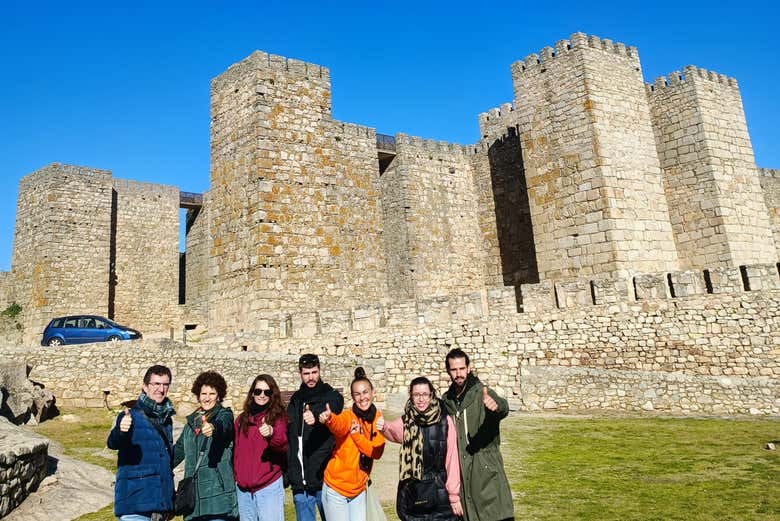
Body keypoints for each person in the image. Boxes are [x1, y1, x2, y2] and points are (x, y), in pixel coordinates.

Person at [441, 349, 514, 521]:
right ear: (448, 371)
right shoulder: (446, 401)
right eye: (454, 369)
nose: (458, 374)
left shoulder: (482, 392)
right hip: (461, 475)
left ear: (468, 368)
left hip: (485, 470)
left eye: (461, 368)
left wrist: (497, 406)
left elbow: (503, 407)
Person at [377, 377, 463, 521]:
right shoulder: (406, 421)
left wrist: (454, 496)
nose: (421, 399)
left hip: (439, 493)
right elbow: (394, 433)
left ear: (431, 395)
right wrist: (384, 426)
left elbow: (452, 460)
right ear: (411, 396)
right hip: (414, 491)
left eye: (424, 394)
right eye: (416, 395)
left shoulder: (445, 421)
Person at [107, 364, 176, 521]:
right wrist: (121, 430)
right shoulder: (129, 415)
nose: (161, 389)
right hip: (135, 504)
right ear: (145, 387)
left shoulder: (167, 420)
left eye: (165, 384)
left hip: (161, 507)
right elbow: (113, 442)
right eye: (156, 384)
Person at [318, 367, 385, 521]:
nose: (362, 398)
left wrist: (356, 436)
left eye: (365, 392)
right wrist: (330, 419)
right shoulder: (349, 415)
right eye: (357, 394)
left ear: (373, 392)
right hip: (336, 489)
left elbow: (376, 452)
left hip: (358, 491)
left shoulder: (377, 419)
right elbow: (339, 425)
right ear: (353, 397)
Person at [172, 371, 238, 521]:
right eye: (203, 393)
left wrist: (213, 428)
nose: (207, 398)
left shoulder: (224, 414)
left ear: (219, 396)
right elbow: (177, 453)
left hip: (218, 503)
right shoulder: (190, 425)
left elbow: (225, 426)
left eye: (212, 394)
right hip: (193, 504)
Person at [287, 353, 345, 521]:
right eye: (306, 373)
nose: (311, 377)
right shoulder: (295, 400)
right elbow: (291, 438)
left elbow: (333, 405)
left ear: (319, 371)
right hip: (300, 480)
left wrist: (317, 415)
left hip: (323, 478)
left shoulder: (330, 394)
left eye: (314, 372)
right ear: (300, 374)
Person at [233, 374, 288, 521]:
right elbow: (235, 451)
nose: (262, 395)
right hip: (244, 491)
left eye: (267, 392)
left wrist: (271, 433)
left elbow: (282, 444)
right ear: (252, 393)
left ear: (272, 394)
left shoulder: (277, 417)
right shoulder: (241, 420)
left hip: (268, 487)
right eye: (258, 391)